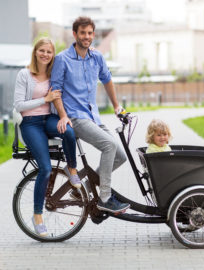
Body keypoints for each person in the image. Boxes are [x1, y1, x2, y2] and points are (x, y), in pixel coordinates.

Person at [50, 16, 130, 214]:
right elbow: (56, 91)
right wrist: (63, 116)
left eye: (90, 33)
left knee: (120, 156)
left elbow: (107, 80)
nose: (86, 37)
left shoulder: (96, 57)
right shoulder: (63, 59)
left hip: (92, 116)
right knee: (109, 145)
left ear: (93, 35)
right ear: (74, 34)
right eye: (82, 33)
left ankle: (83, 188)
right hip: (75, 117)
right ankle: (105, 198)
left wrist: (116, 106)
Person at [14, 38, 81, 236]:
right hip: (31, 124)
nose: (45, 54)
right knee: (44, 168)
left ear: (53, 55)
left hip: (49, 119)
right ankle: (37, 215)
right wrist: (45, 99)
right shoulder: (24, 74)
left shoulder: (53, 74)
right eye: (41, 50)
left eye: (49, 52)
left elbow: (72, 62)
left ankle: (72, 169)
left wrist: (87, 49)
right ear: (35, 52)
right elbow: (19, 105)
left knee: (69, 131)